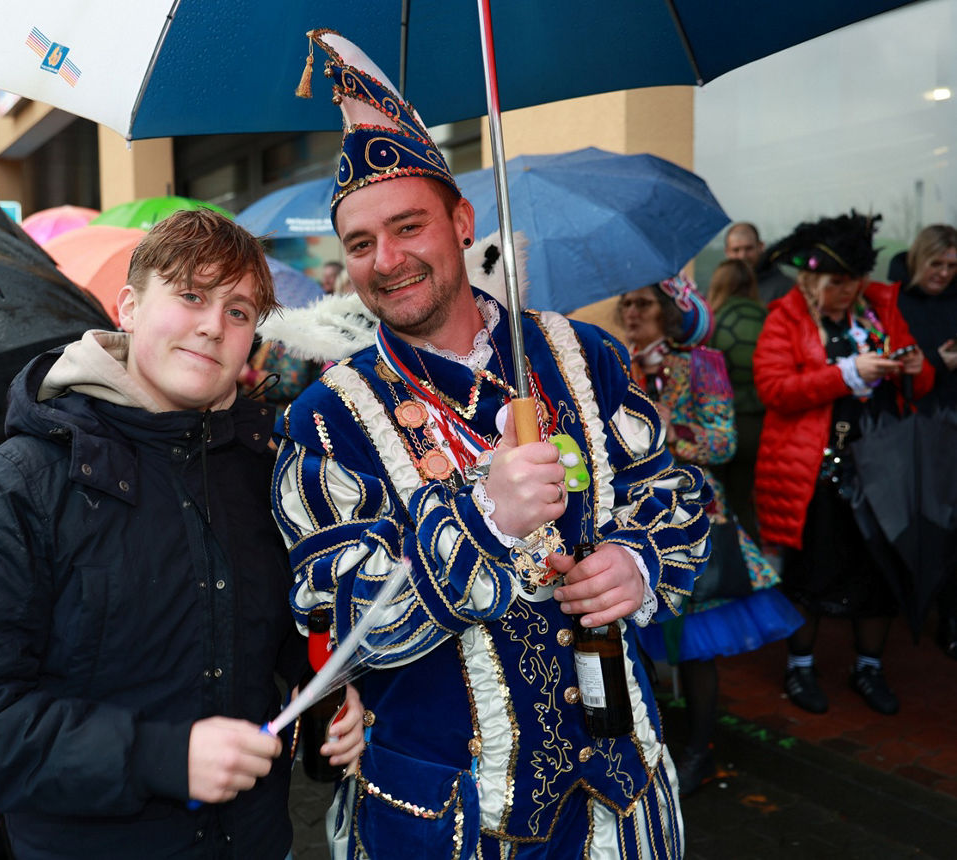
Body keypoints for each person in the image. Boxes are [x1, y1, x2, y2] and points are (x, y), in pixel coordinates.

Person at [273, 30, 712, 858]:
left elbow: (673, 495)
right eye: (360, 242)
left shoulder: (581, 353)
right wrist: (484, 519)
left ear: (462, 221)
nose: (387, 260)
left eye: (408, 226)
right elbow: (350, 623)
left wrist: (636, 563)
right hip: (450, 817)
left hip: (619, 794)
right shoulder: (324, 420)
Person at [0, 210, 364, 860]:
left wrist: (340, 691)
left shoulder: (264, 467)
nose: (213, 325)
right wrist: (160, 756)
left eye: (238, 311)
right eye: (191, 296)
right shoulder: (29, 480)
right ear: (130, 308)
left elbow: (286, 632)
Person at [622, 277, 802, 796]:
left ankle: (699, 750)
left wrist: (669, 431)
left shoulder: (702, 364)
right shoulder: (611, 366)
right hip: (633, 523)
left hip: (695, 519)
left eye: (643, 302)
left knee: (697, 647)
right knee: (639, 643)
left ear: (669, 312)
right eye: (627, 302)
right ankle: (650, 747)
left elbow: (724, 442)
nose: (631, 311)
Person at [753, 212, 933, 716]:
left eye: (854, 280)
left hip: (882, 470)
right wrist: (846, 372)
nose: (848, 291)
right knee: (811, 573)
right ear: (811, 281)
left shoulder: (878, 309)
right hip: (814, 474)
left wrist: (916, 370)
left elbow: (918, 387)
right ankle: (801, 668)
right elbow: (775, 390)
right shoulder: (785, 318)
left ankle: (868, 667)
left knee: (878, 575)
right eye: (837, 282)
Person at [893, 223, 957, 658]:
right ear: (918, 259)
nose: (944, 273)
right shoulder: (894, 301)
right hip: (913, 426)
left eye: (953, 266)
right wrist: (938, 361)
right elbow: (897, 363)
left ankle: (950, 615)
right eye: (937, 263)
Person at [705, 259, 768, 540]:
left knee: (715, 503)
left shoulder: (711, 322)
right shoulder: (765, 317)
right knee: (744, 503)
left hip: (717, 426)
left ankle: (721, 571)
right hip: (756, 422)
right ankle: (751, 574)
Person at [724, 222, 791, 306]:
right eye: (736, 250)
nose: (742, 256)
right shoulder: (720, 289)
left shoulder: (784, 288)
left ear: (761, 247)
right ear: (727, 252)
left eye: (748, 248)